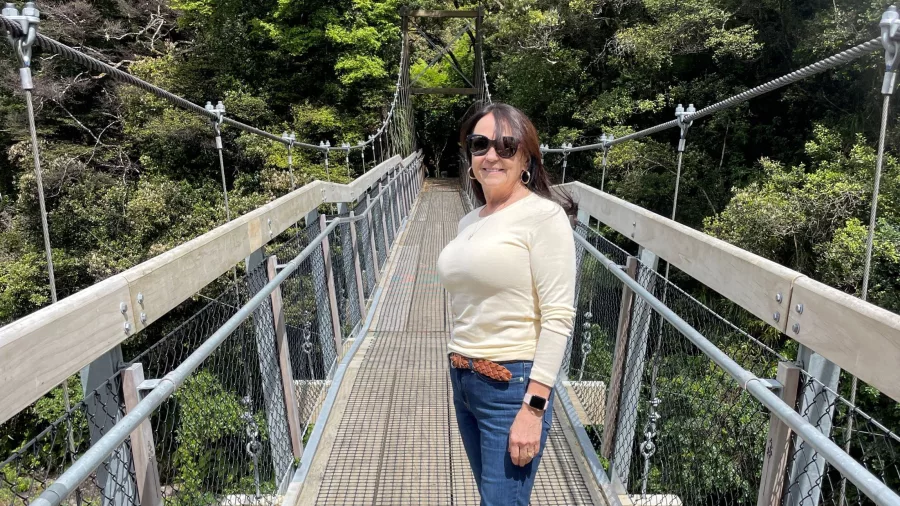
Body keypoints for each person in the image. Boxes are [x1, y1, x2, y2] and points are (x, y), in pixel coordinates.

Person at [437, 103, 577, 506]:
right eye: (479, 144)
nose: (492, 155)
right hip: (463, 379)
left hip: (512, 386)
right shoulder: (470, 221)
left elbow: (558, 317)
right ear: (469, 156)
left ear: (526, 158)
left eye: (507, 146)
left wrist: (533, 408)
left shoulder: (543, 217)